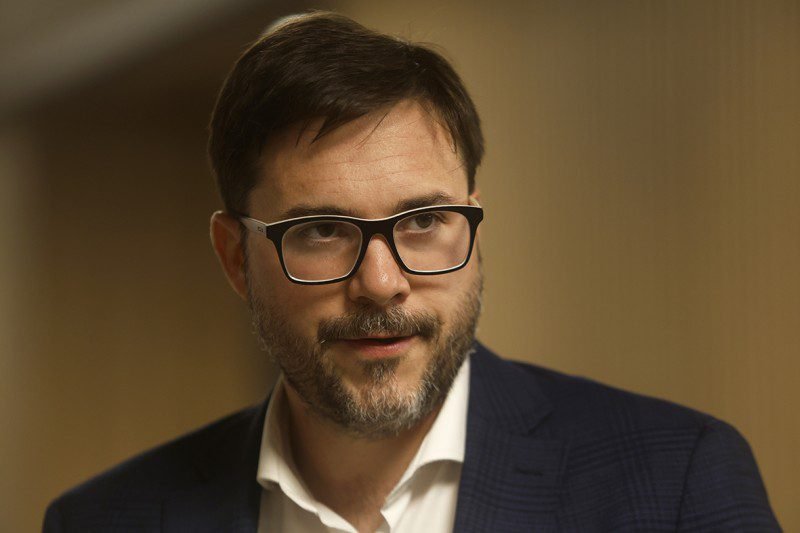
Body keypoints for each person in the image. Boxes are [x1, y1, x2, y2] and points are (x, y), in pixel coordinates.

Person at [43, 11, 780, 533]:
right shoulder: (105, 521)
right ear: (236, 257)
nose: (381, 282)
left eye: (423, 222)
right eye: (322, 230)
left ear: (473, 225)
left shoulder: (677, 485)